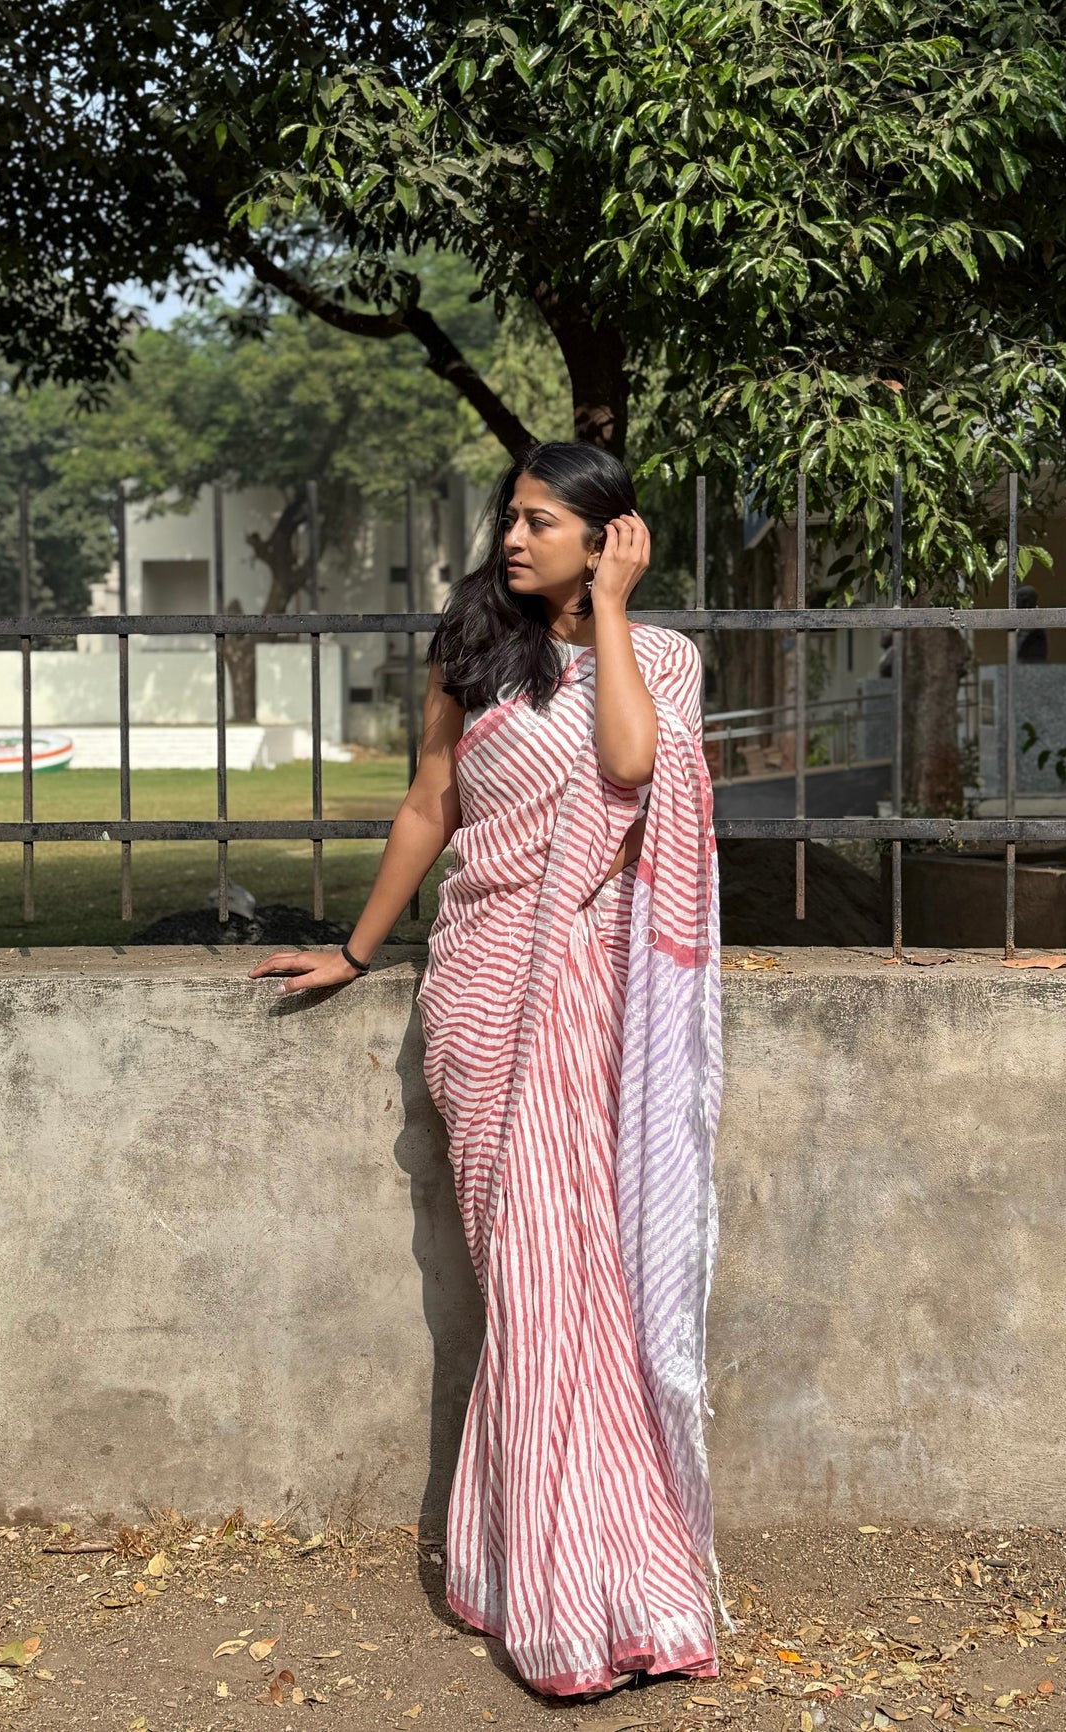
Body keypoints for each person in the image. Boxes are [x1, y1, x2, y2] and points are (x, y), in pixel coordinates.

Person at [249, 442, 729, 1699]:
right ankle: (545, 1583)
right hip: (479, 991)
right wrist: (357, 951)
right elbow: (429, 804)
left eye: (542, 521)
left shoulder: (659, 657)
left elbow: (628, 766)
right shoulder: (469, 651)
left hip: (593, 996)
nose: (513, 540)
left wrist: (612, 615)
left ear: (605, 536)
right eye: (508, 518)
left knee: (580, 1293)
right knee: (530, 1284)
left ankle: (589, 1572)